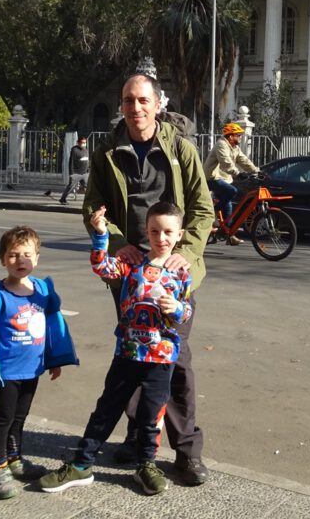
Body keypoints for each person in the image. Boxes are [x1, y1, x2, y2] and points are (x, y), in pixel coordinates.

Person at [81, 72, 213, 487]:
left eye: (142, 100)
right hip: (131, 278)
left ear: (157, 104)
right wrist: (118, 242)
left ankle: (186, 451)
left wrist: (185, 256)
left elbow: (203, 211)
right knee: (133, 358)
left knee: (175, 363)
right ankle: (140, 440)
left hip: (173, 278)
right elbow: (92, 210)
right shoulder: (107, 154)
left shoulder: (181, 150)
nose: (134, 108)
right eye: (127, 101)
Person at [40, 202, 192, 496]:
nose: (161, 238)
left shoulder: (181, 271)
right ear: (146, 231)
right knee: (106, 409)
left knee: (151, 415)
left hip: (161, 357)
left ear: (179, 234)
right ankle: (82, 464)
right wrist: (100, 235)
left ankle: (146, 464)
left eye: (168, 232)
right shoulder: (132, 262)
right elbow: (101, 266)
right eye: (154, 231)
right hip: (127, 353)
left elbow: (184, 312)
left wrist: (176, 308)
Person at [0, 225, 79, 500]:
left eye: (27, 255)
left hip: (32, 369)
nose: (20, 261)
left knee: (20, 417)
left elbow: (53, 326)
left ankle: (15, 459)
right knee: (4, 419)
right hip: (6, 373)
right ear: (2, 259)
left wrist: (55, 360)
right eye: (13, 255)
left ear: (37, 257)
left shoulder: (41, 290)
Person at [204, 122, 258, 245]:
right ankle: (215, 211)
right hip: (212, 178)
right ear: (230, 136)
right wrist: (238, 173)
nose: (240, 137)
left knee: (228, 206)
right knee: (232, 191)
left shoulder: (235, 147)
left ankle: (229, 235)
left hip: (224, 179)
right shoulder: (221, 145)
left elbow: (244, 160)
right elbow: (226, 162)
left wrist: (257, 171)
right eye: (238, 135)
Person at [59, 136, 90, 204]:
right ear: (78, 143)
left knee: (88, 186)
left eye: (85, 143)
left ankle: (90, 201)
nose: (84, 144)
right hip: (76, 173)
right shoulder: (74, 150)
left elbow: (87, 161)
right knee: (70, 187)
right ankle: (63, 199)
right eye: (82, 143)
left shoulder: (86, 150)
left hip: (84, 173)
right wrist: (71, 173)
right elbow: (71, 162)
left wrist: (88, 171)